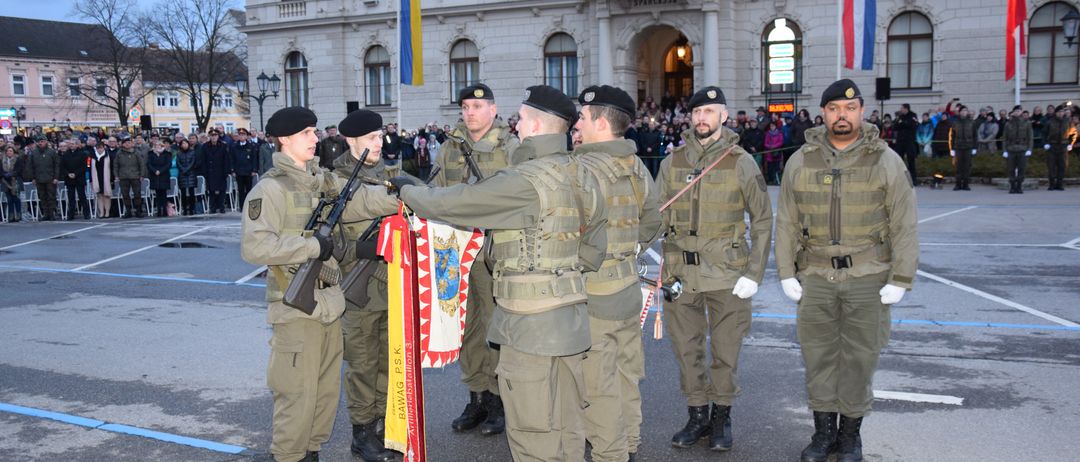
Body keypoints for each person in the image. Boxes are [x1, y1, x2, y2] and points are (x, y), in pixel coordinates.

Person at [392, 85, 608, 462]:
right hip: (571, 319)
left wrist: (409, 192)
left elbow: (460, 203)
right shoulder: (584, 174)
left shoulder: (525, 179)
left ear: (536, 125)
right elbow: (594, 248)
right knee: (567, 425)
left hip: (528, 325)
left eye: (521, 118)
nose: (515, 124)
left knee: (532, 433)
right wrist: (559, 273)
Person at [240, 107, 399, 462]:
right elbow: (255, 247)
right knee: (296, 395)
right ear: (284, 139)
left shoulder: (320, 182)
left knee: (324, 396)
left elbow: (360, 199)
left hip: (328, 305)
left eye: (314, 131)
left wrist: (401, 197)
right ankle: (290, 456)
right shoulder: (271, 189)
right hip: (295, 308)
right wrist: (312, 246)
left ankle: (310, 453)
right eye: (307, 133)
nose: (316, 139)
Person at [774, 80, 918, 462]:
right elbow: (786, 221)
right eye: (835, 108)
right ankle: (823, 435)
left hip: (868, 277)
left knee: (860, 358)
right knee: (818, 356)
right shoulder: (801, 161)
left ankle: (850, 436)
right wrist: (786, 271)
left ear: (862, 112)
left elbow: (904, 223)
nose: (843, 115)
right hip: (816, 276)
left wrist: (901, 278)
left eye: (850, 109)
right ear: (823, 113)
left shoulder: (885, 160)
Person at [656, 86, 773, 453]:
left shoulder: (741, 162)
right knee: (686, 349)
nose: (702, 118)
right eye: (696, 112)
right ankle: (697, 415)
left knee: (725, 351)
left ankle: (721, 418)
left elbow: (763, 220)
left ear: (724, 116)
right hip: (681, 275)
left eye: (709, 111)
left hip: (727, 275)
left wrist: (754, 273)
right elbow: (656, 217)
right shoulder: (672, 163)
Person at [570, 85, 662, 462]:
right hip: (628, 287)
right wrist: (628, 249)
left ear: (602, 123)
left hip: (595, 294)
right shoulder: (635, 165)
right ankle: (629, 445)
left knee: (598, 385)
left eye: (582, 117)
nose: (576, 124)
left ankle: (611, 454)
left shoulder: (582, 168)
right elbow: (653, 221)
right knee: (626, 374)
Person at [432, 83, 520, 436]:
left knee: (493, 327)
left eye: (478, 107)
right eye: (466, 106)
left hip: (492, 252)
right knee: (465, 327)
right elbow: (437, 193)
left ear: (493, 110)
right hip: (455, 251)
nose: (470, 112)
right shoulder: (449, 148)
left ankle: (498, 400)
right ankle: (477, 396)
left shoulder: (510, 148)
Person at [330, 109, 399, 462]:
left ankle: (385, 426)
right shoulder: (335, 181)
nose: (379, 143)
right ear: (351, 140)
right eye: (372, 138)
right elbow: (325, 239)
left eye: (380, 136)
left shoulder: (392, 176)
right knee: (362, 363)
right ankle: (362, 432)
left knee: (390, 361)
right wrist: (360, 249)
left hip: (395, 286)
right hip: (359, 288)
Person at [27, 135, 60, 221]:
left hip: (50, 178)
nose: (40, 143)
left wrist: (56, 177)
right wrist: (32, 178)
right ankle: (45, 214)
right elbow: (30, 166)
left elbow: (56, 165)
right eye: (39, 142)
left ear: (46, 142)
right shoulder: (33, 153)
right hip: (39, 178)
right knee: (42, 197)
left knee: (51, 197)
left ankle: (51, 214)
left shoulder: (52, 152)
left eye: (42, 141)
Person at [112, 135, 147, 218]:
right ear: (123, 144)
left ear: (132, 143)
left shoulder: (136, 152)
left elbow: (142, 164)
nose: (128, 144)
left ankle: (138, 211)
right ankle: (128, 211)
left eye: (129, 142)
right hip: (123, 177)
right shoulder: (119, 153)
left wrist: (142, 175)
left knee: (137, 194)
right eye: (126, 143)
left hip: (135, 176)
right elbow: (115, 165)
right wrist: (116, 175)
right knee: (125, 195)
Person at [1002, 105, 1033, 194]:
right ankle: (1012, 186)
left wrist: (1029, 149)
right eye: (1016, 111)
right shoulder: (1008, 123)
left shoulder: (1027, 123)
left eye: (1019, 111)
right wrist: (1004, 150)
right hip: (1011, 149)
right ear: (1013, 112)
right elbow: (1005, 138)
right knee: (1011, 169)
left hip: (1022, 148)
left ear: (1021, 112)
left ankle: (1019, 186)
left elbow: (1030, 137)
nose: (1017, 113)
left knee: (1021, 168)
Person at [1043, 104, 1073, 191]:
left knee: (1062, 166)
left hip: (1063, 146)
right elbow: (1044, 133)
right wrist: (1045, 143)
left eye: (1062, 112)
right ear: (1056, 113)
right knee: (1051, 165)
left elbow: (1072, 134)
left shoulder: (1067, 122)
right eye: (1059, 112)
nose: (1061, 113)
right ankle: (1052, 184)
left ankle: (1059, 184)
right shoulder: (1050, 122)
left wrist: (1070, 143)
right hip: (1052, 145)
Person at [59, 138, 91, 219]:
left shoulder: (83, 154)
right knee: (71, 198)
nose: (71, 145)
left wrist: (75, 174)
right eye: (70, 144)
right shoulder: (65, 154)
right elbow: (62, 166)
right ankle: (71, 214)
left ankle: (86, 213)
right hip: (69, 179)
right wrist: (68, 174)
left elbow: (85, 166)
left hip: (79, 178)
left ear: (77, 145)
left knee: (82, 196)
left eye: (73, 144)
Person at [201, 130, 231, 213]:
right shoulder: (205, 146)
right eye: (212, 135)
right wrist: (204, 172)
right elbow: (203, 160)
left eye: (215, 135)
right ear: (209, 136)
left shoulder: (223, 146)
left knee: (222, 190)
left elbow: (226, 160)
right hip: (210, 171)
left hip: (220, 171)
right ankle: (213, 207)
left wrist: (226, 171)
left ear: (218, 136)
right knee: (211, 190)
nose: (214, 137)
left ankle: (221, 207)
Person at [949, 106, 977, 191]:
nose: (964, 112)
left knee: (967, 166)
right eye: (962, 111)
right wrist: (952, 148)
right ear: (960, 112)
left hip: (968, 146)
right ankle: (958, 184)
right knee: (958, 166)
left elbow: (975, 135)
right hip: (958, 146)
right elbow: (952, 136)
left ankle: (965, 184)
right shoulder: (955, 122)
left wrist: (975, 147)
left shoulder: (972, 122)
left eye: (966, 110)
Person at [232, 128, 259, 205]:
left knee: (249, 190)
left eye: (243, 135)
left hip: (248, 171)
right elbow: (232, 159)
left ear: (247, 136)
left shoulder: (251, 146)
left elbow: (254, 159)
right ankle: (242, 206)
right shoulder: (234, 146)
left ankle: (248, 205)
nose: (241, 136)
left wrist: (254, 170)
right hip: (239, 171)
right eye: (240, 135)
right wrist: (233, 170)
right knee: (240, 190)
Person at [893, 104, 919, 185]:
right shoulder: (900, 116)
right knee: (899, 160)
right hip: (900, 141)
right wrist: (901, 123)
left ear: (906, 109)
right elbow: (895, 127)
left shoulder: (913, 116)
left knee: (911, 160)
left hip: (909, 141)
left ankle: (913, 179)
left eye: (902, 108)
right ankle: (899, 179)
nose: (900, 110)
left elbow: (911, 125)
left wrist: (902, 123)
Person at [88, 137, 113, 219]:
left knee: (107, 195)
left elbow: (112, 167)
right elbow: (88, 167)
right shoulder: (91, 156)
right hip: (96, 178)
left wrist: (112, 179)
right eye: (98, 148)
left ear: (104, 148)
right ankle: (101, 212)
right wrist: (90, 178)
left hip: (106, 178)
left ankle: (107, 212)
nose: (99, 149)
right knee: (99, 195)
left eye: (101, 148)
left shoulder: (108, 155)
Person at [147, 140, 173, 217]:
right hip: (154, 175)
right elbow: (149, 164)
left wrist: (160, 171)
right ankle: (159, 210)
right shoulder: (151, 154)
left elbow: (168, 164)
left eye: (159, 145)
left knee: (164, 193)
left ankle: (164, 210)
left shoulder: (167, 154)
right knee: (157, 194)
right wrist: (155, 171)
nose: (157, 146)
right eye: (156, 145)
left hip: (164, 175)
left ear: (162, 146)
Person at [175, 139, 200, 215]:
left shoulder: (192, 152)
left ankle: (192, 209)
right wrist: (183, 170)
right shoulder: (179, 153)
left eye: (186, 143)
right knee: (183, 193)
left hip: (191, 173)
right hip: (182, 174)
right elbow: (178, 163)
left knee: (191, 192)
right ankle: (185, 209)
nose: (184, 145)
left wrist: (187, 169)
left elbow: (193, 162)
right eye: (183, 143)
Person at [1, 145, 23, 222]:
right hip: (5, 181)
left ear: (13, 152)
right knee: (9, 200)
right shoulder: (2, 160)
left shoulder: (18, 159)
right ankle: (11, 215)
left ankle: (18, 215)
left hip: (15, 181)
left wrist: (12, 174)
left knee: (16, 198)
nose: (9, 152)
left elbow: (19, 169)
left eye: (10, 151)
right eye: (7, 151)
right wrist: (4, 174)